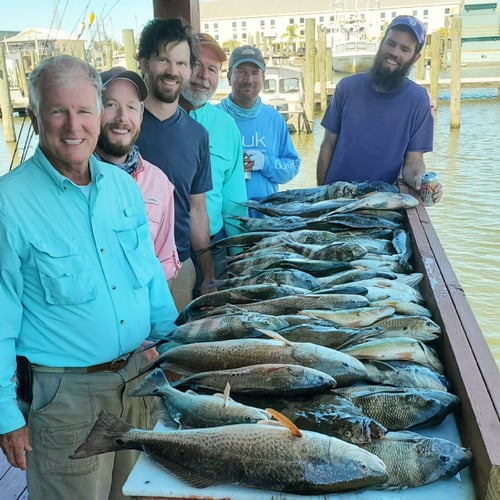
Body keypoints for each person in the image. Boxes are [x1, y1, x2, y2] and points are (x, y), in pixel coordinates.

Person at [0, 55, 178, 500]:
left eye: (83, 110)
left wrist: (177, 349)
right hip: (64, 399)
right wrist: (6, 415)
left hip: (138, 378)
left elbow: (151, 279)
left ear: (98, 114)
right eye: (57, 111)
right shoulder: (9, 202)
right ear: (36, 116)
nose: (72, 125)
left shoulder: (122, 188)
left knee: (136, 493)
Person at [316, 15, 442, 204]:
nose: (394, 52)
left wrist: (419, 181)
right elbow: (327, 146)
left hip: (380, 204)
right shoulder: (346, 87)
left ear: (415, 58)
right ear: (381, 43)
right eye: (391, 43)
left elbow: (414, 162)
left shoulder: (418, 100)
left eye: (405, 49)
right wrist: (321, 196)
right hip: (336, 199)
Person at [136, 18, 214, 310]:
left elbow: (197, 210)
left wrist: (207, 274)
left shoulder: (197, 135)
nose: (172, 71)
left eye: (181, 63)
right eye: (162, 60)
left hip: (180, 270)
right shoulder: (119, 129)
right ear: (143, 62)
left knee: (173, 353)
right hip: (125, 272)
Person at [95, 66, 181, 284]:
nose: (122, 117)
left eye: (132, 107)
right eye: (111, 105)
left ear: (141, 117)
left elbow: (164, 262)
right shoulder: (72, 180)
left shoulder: (159, 182)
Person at [179, 33, 248, 280]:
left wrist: (239, 257)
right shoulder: (151, 120)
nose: (203, 76)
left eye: (212, 69)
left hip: (214, 246)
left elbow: (234, 200)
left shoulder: (226, 127)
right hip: (165, 251)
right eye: (196, 65)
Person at [218, 45, 300, 207]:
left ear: (263, 77)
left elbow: (292, 166)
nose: (248, 80)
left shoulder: (275, 119)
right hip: (224, 221)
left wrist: (265, 163)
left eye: (255, 73)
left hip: (266, 219)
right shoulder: (214, 119)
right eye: (241, 72)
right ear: (229, 76)